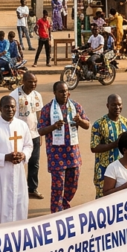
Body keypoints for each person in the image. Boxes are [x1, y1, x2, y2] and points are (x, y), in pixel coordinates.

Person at [0, 95, 33, 225]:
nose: (10, 109)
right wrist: (4, 157)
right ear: (0, 108)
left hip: (18, 173)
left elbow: (29, 145)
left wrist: (23, 155)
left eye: (12, 106)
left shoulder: (22, 125)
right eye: (6, 107)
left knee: (19, 205)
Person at [38, 82, 91, 213]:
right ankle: (56, 212)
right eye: (61, 91)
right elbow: (40, 130)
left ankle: (65, 203)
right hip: (56, 154)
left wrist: (79, 121)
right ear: (54, 93)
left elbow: (87, 124)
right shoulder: (47, 109)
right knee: (57, 186)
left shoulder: (75, 106)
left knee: (73, 183)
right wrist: (53, 126)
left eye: (66, 91)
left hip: (73, 154)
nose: (64, 94)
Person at [90, 94, 127, 198]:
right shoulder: (99, 124)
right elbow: (94, 147)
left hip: (122, 168)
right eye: (113, 105)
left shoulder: (125, 122)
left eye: (119, 104)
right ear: (107, 105)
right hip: (104, 169)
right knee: (102, 199)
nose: (117, 107)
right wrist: (114, 144)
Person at [11, 73, 44, 199]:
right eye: (30, 81)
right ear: (23, 81)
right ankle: (16, 190)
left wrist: (40, 133)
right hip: (19, 136)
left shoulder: (37, 95)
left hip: (34, 134)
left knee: (34, 163)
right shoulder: (15, 95)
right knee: (18, 163)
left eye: (35, 81)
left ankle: (32, 189)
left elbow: (39, 113)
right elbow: (11, 116)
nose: (33, 84)